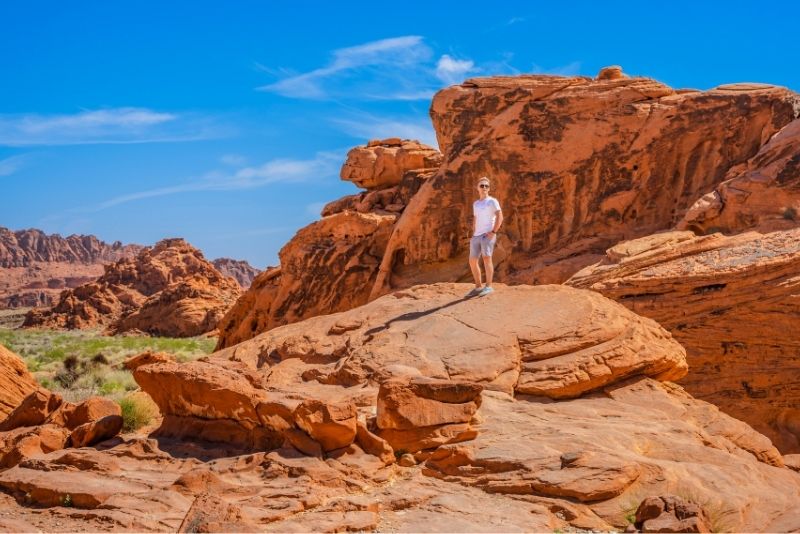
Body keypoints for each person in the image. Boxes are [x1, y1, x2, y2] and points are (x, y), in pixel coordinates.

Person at [467, 176, 503, 297]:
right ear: (477, 188)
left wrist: (493, 232)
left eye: (486, 186)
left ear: (489, 188)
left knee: (487, 258)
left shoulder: (492, 201)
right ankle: (478, 287)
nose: (484, 188)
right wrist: (473, 234)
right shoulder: (476, 204)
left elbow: (500, 217)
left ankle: (488, 286)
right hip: (476, 235)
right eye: (481, 185)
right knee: (472, 261)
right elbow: (475, 219)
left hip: (487, 234)